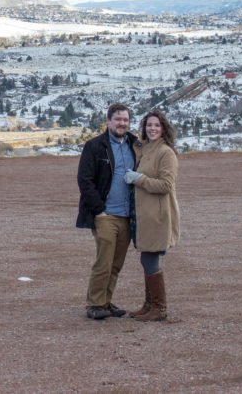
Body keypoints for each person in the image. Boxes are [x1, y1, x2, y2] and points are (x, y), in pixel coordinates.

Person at [76, 102, 141, 319]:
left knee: (116, 262)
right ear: (108, 121)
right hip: (105, 214)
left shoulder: (135, 145)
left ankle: (106, 301)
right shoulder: (95, 146)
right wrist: (99, 210)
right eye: (118, 119)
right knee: (104, 261)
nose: (122, 123)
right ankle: (94, 304)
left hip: (127, 215)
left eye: (125, 120)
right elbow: (84, 180)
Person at [124, 109, 181, 322]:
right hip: (144, 215)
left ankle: (159, 307)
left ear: (163, 128)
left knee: (151, 258)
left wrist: (139, 179)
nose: (153, 128)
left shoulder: (166, 152)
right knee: (146, 257)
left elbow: (166, 185)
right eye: (149, 125)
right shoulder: (146, 149)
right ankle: (149, 305)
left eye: (157, 125)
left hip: (158, 215)